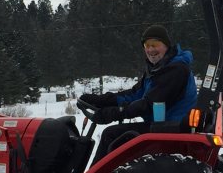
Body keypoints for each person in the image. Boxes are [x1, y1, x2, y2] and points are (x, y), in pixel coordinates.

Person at [80, 24, 198, 162]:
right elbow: (134, 94)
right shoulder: (157, 69)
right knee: (115, 135)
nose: (150, 49)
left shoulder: (176, 70)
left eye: (155, 44)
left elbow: (148, 104)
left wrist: (114, 113)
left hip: (171, 128)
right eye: (147, 45)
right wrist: (103, 100)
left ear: (166, 45)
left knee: (110, 135)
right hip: (162, 126)